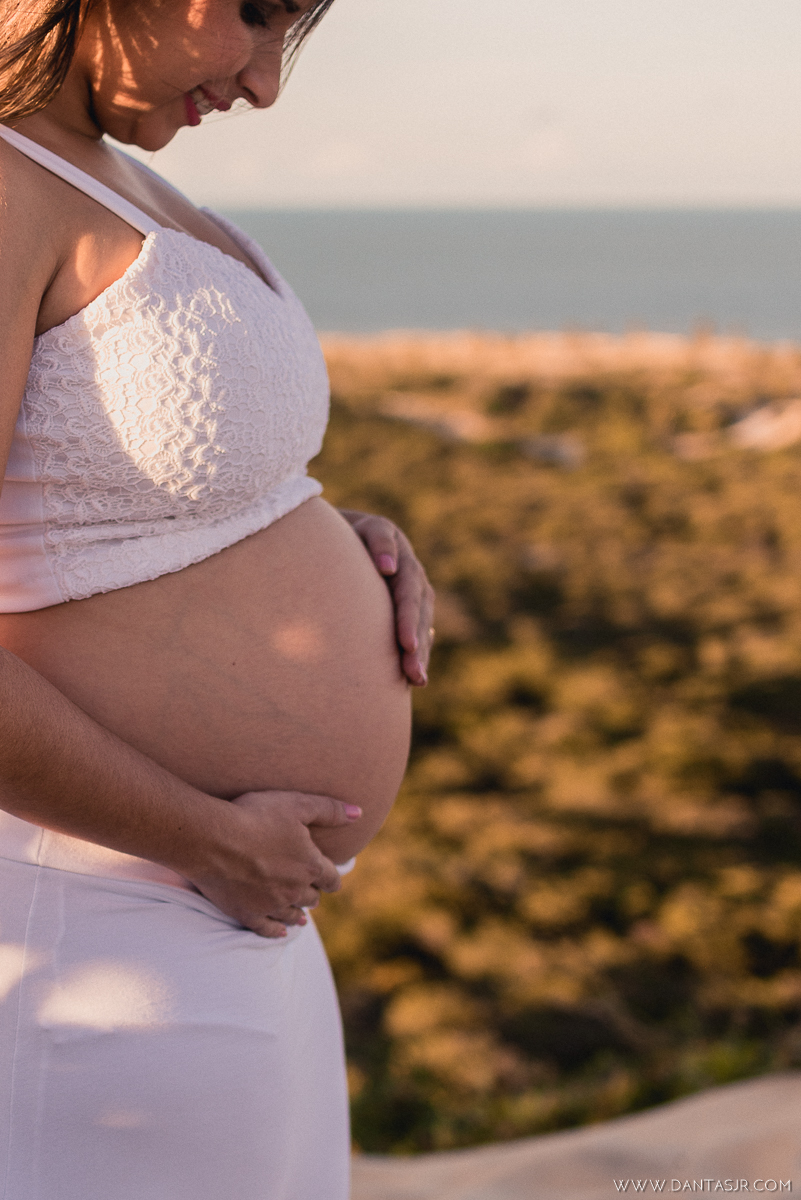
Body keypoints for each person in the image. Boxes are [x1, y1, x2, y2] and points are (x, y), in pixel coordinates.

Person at [0, 0, 434, 1196]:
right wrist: (206, 836)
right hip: (95, 915)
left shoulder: (104, 170)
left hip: (232, 906)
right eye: (253, 16)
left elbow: (98, 489)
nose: (265, 83)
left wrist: (308, 533)